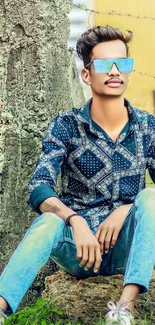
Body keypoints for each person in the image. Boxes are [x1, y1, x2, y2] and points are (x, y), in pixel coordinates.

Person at [0, 25, 155, 325]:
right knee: (48, 220)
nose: (114, 71)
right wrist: (75, 220)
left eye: (122, 63)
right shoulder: (66, 125)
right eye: (103, 64)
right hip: (78, 249)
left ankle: (124, 309)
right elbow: (39, 187)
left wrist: (126, 209)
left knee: (150, 196)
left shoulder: (148, 127)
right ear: (86, 74)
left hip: (126, 246)